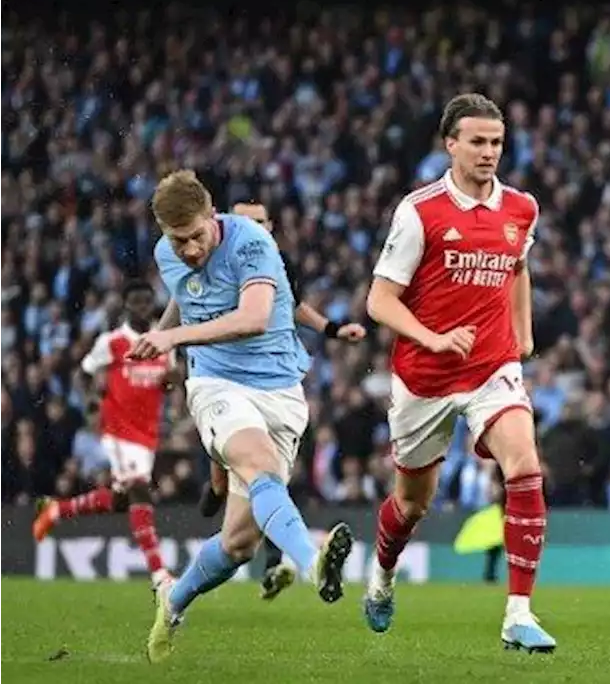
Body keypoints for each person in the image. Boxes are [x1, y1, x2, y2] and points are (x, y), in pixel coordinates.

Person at [133, 170, 354, 663]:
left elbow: (254, 318)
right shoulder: (167, 253)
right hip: (215, 384)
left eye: (196, 236)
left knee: (238, 545)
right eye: (177, 240)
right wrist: (163, 340)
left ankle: (174, 599)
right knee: (256, 464)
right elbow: (184, 297)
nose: (189, 250)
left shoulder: (253, 242)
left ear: (213, 216)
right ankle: (313, 563)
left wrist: (171, 340)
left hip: (279, 390)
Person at [362, 92, 554, 652]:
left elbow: (518, 267)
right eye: (477, 141)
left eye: (496, 142)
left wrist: (523, 331)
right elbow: (380, 299)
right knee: (412, 505)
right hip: (424, 376)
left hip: (493, 365)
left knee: (525, 464)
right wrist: (433, 338)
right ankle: (382, 577)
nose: (489, 152)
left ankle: (519, 612)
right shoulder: (419, 211)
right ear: (451, 145)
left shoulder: (522, 208)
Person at [196, 201, 368, 602]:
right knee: (249, 462)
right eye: (244, 222)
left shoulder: (276, 263)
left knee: (268, 474)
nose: (253, 229)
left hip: (275, 383)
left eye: (260, 223)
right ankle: (220, 484)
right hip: (224, 375)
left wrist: (332, 328)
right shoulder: (213, 258)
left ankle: (277, 557)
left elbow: (293, 307)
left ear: (271, 226)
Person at [31, 279, 176, 588]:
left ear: (152, 304)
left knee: (123, 500)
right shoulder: (113, 342)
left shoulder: (164, 342)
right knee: (140, 490)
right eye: (135, 301)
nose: (141, 307)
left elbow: (167, 383)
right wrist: (91, 404)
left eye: (146, 301)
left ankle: (58, 509)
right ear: (125, 305)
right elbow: (82, 373)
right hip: (118, 430)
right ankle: (160, 574)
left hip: (147, 434)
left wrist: (172, 381)